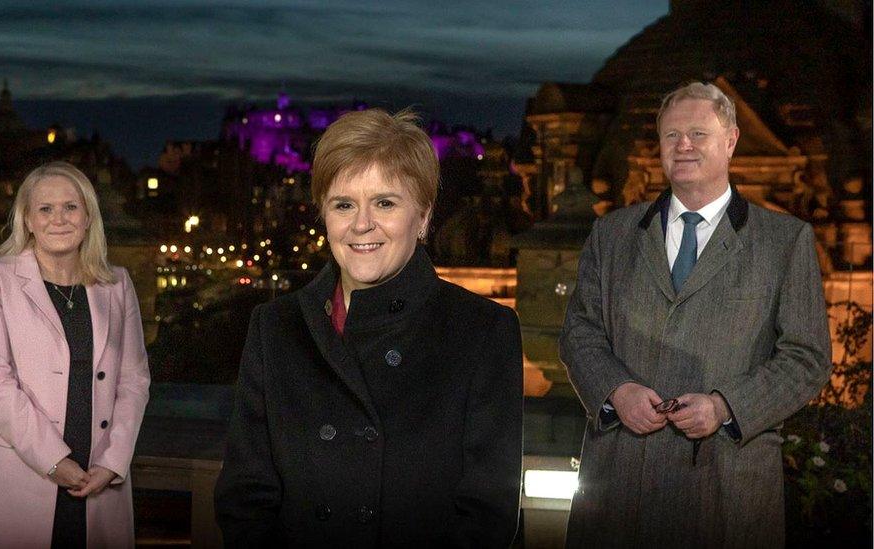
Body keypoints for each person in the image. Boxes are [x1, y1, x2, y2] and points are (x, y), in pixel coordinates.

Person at [215, 109, 523, 547]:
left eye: (385, 202)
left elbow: (486, 515)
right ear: (324, 216)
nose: (362, 224)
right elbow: (245, 498)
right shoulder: (274, 327)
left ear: (422, 218)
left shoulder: (483, 331)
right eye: (344, 204)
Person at [559, 82, 832, 548]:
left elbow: (807, 357)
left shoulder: (785, 241)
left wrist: (726, 407)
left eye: (698, 134)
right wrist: (616, 390)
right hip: (620, 487)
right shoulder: (612, 233)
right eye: (671, 135)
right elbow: (580, 331)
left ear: (730, 141)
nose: (683, 145)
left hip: (726, 489)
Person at [0, 161, 151, 548]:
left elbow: (134, 379)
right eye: (45, 209)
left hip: (99, 479)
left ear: (88, 216)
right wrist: (53, 461)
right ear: (27, 219)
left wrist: (113, 463)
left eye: (71, 207)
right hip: (19, 474)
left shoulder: (117, 283)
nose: (59, 219)